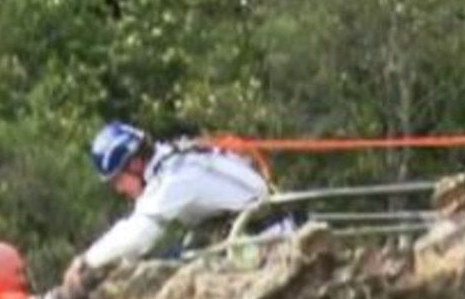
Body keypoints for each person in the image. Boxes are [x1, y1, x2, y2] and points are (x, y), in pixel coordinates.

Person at [64, 120, 296, 287]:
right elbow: (136, 230)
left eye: (117, 180)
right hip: (244, 233)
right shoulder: (171, 161)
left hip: (262, 241)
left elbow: (138, 233)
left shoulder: (174, 178)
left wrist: (87, 261)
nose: (118, 189)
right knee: (162, 262)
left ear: (134, 164)